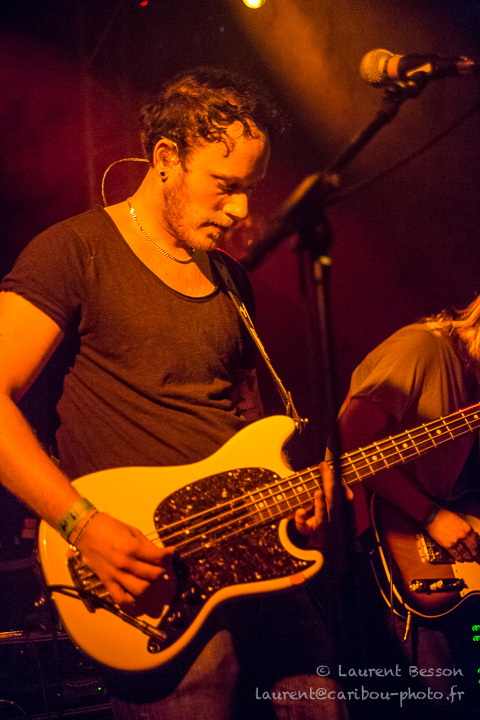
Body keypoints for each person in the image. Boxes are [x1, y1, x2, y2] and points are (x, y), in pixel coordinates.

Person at [0, 68, 349, 720]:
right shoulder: (73, 252)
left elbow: (249, 422)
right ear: (166, 158)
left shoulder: (231, 280)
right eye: (225, 185)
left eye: (250, 189)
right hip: (154, 575)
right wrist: (81, 523)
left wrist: (295, 502)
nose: (241, 210)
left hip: (262, 567)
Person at [335, 299, 480, 719]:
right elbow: (345, 447)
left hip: (433, 558)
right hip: (379, 548)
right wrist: (431, 516)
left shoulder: (470, 377)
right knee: (440, 704)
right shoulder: (422, 349)